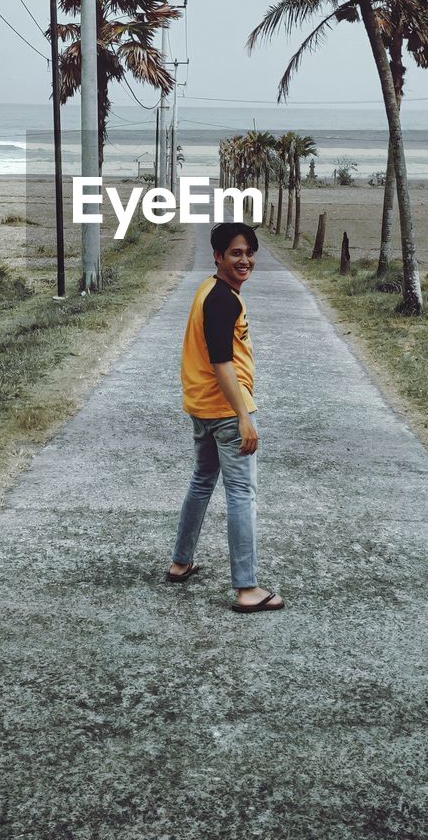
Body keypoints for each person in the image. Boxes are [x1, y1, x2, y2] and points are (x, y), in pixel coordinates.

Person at [167, 221, 284, 612]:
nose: (245, 260)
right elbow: (222, 363)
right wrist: (243, 417)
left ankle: (181, 562)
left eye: (249, 252)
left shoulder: (210, 289)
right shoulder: (222, 299)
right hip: (224, 410)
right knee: (241, 494)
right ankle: (247, 588)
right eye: (235, 253)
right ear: (217, 256)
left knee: (202, 482)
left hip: (202, 407)